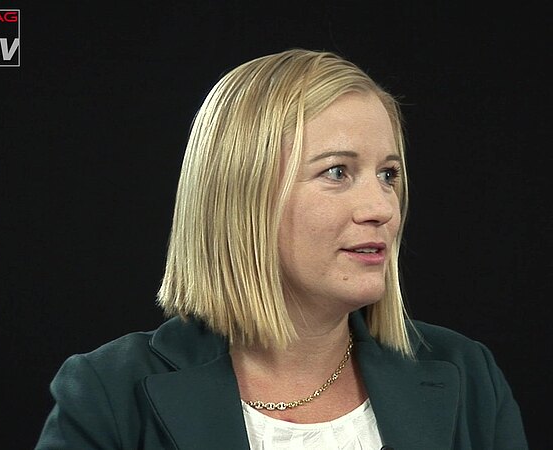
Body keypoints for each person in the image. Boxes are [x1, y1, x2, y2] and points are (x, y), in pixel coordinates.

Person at [35, 49, 528, 450]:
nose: (382, 208)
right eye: (337, 172)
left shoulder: (469, 376)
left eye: (388, 174)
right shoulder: (108, 394)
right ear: (241, 195)